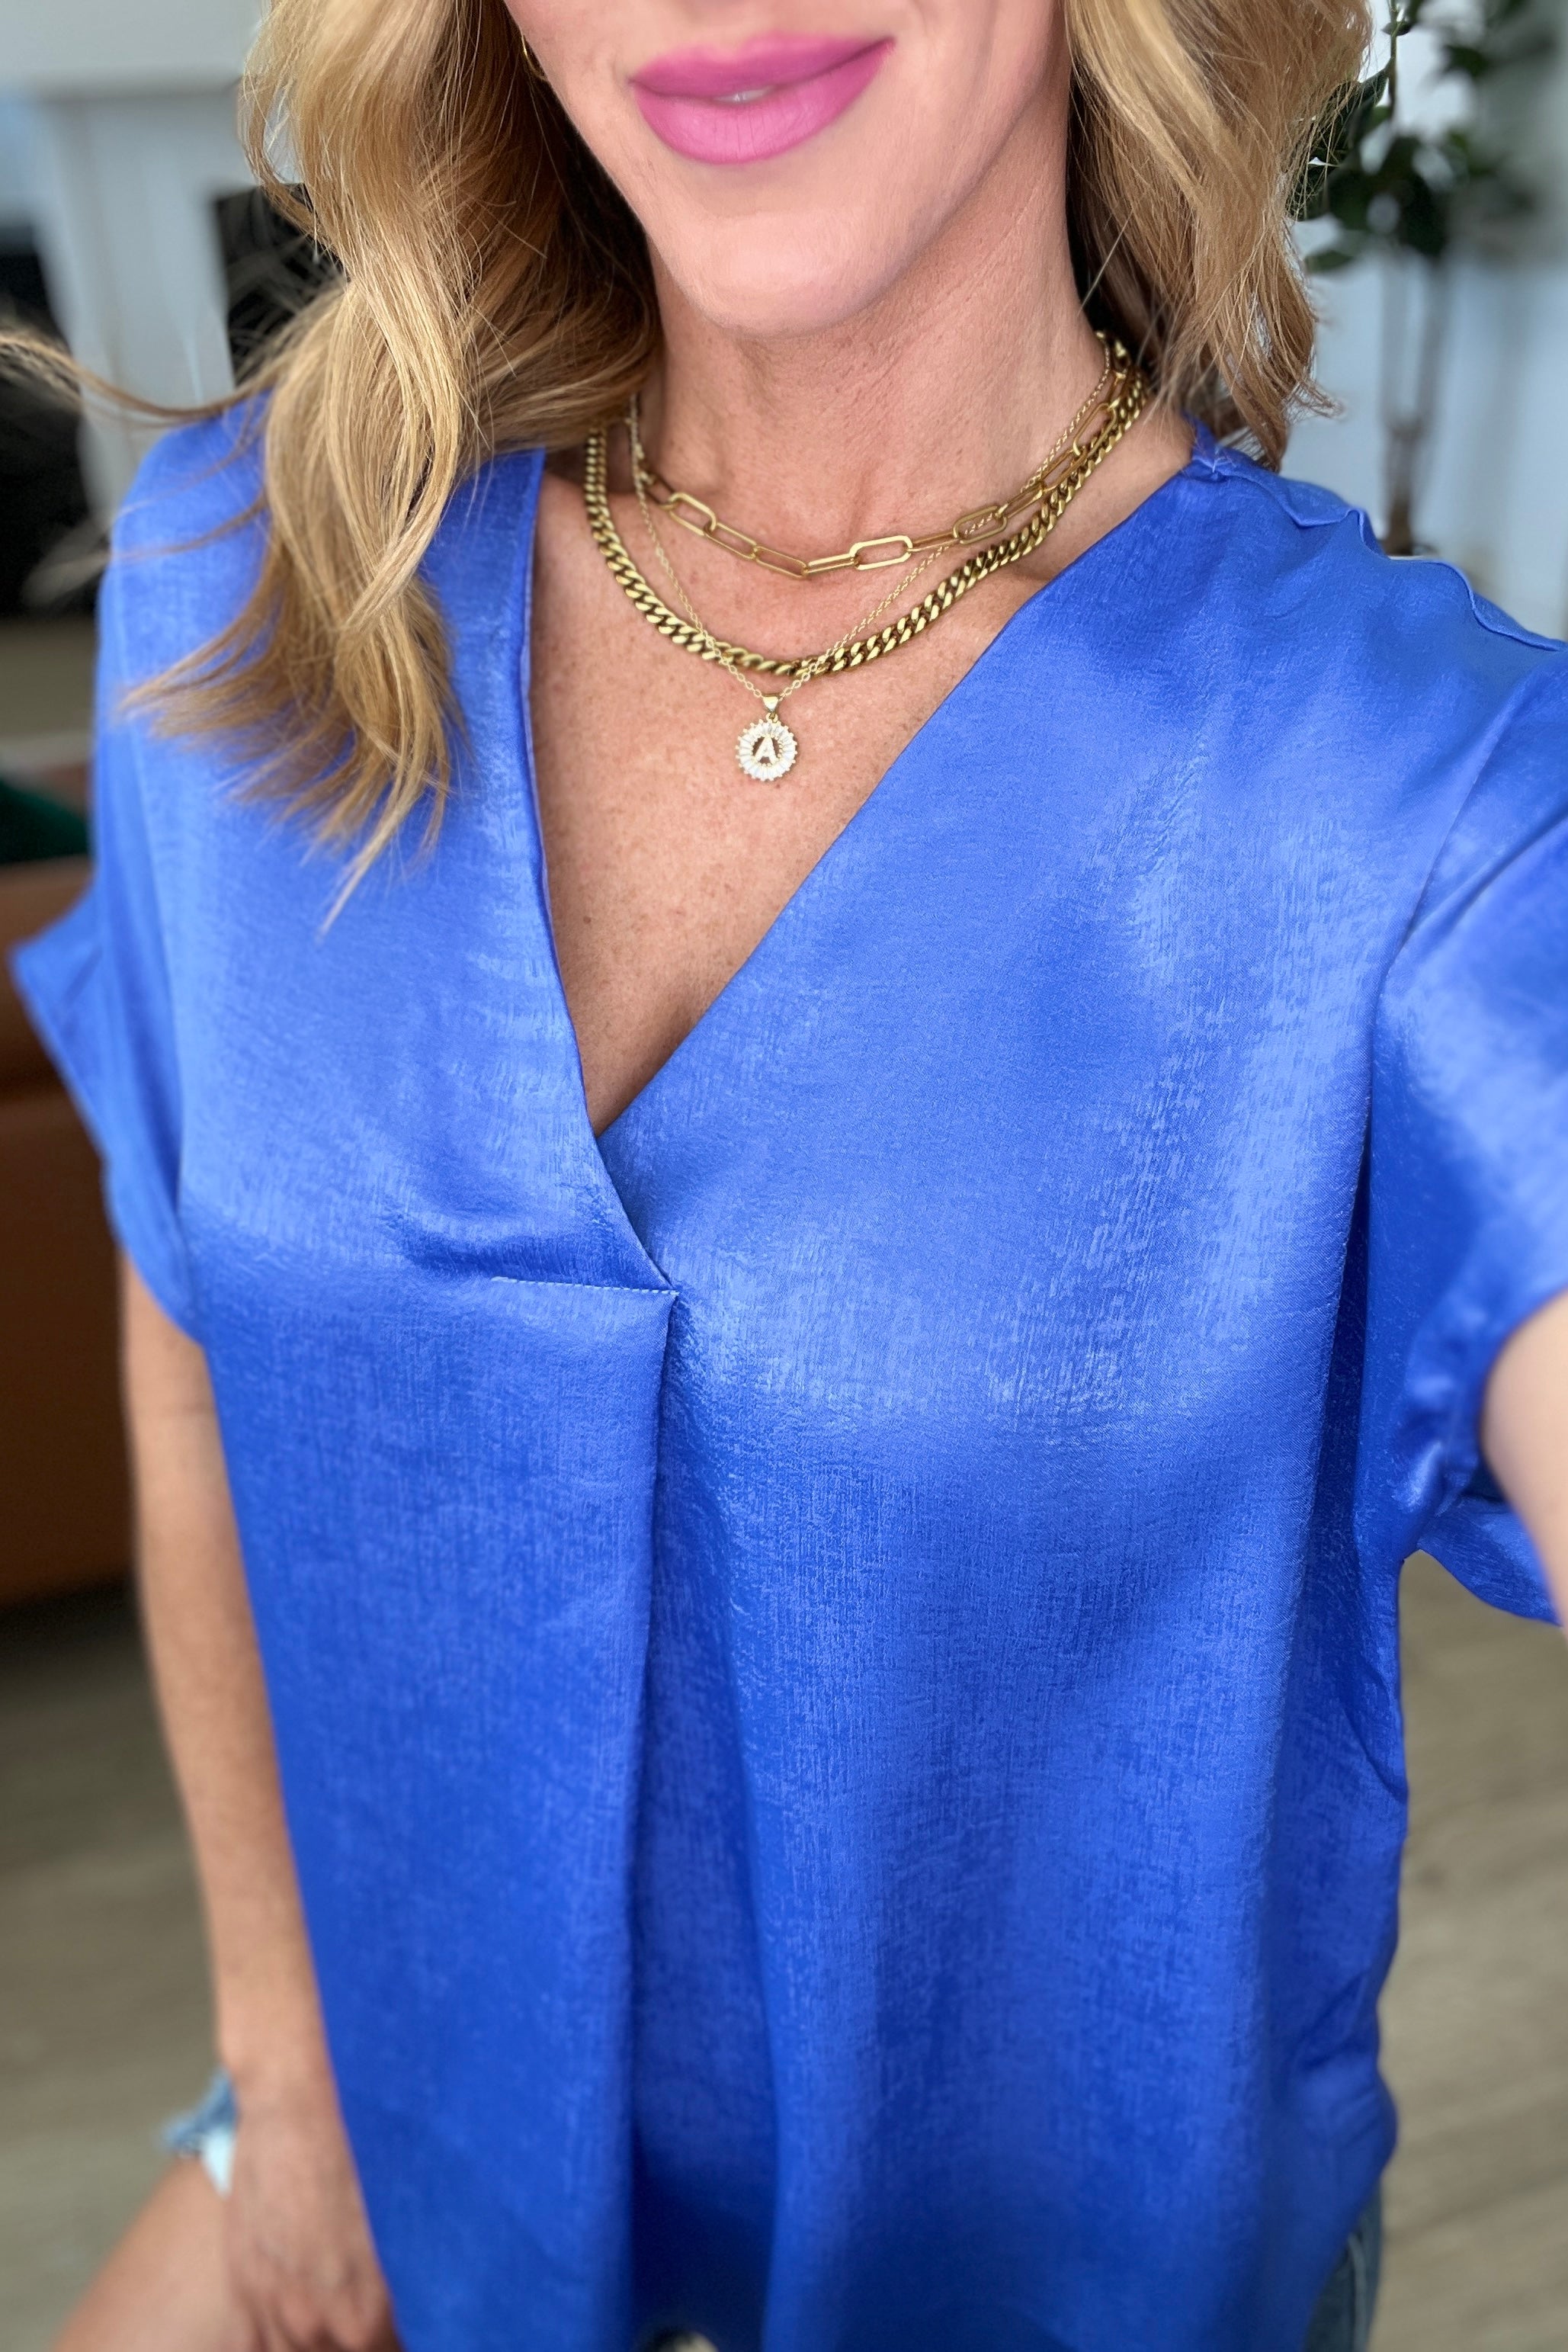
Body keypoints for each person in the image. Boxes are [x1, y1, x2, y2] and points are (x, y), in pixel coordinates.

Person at [11, 1, 1568, 2347]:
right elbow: (191, 1336)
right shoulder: (259, 577)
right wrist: (286, 2069)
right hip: (404, 2150)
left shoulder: (1433, 811)